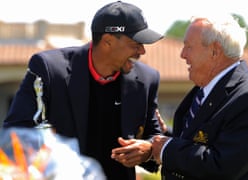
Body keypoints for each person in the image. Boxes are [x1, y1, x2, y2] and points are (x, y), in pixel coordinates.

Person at [3, 1, 164, 180]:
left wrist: (148, 150)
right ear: (108, 41)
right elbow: (16, 134)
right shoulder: (48, 69)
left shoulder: (147, 78)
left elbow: (153, 135)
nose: (142, 51)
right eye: (135, 44)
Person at [151, 15, 248, 180]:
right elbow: (202, 142)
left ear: (215, 51)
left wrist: (167, 148)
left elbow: (222, 166)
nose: (182, 54)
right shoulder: (205, 88)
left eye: (188, 46)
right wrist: (166, 135)